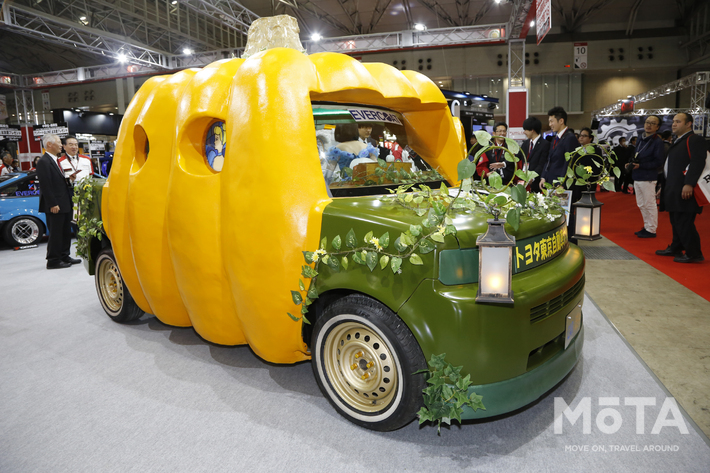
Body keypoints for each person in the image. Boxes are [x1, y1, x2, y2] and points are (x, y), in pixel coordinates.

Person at [656, 113, 707, 263]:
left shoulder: (694, 139)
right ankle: (676, 247)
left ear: (689, 124)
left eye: (678, 122)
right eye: (673, 121)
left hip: (685, 188)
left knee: (684, 221)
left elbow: (698, 162)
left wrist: (689, 183)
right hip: (673, 188)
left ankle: (694, 254)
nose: (674, 124)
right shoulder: (679, 140)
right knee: (676, 220)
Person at [35, 134, 81, 269]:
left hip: (64, 202)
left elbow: (57, 182)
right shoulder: (44, 161)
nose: (61, 145)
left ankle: (64, 255)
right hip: (55, 204)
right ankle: (53, 260)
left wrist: (68, 180)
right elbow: (45, 185)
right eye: (59, 143)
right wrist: (52, 203)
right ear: (49, 144)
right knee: (56, 233)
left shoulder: (55, 160)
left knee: (65, 232)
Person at [626, 116, 665, 238]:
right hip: (637, 175)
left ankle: (651, 229)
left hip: (648, 176)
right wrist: (631, 163)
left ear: (657, 127)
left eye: (653, 123)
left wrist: (641, 165)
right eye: (647, 122)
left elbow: (659, 162)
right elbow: (637, 155)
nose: (649, 125)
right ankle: (647, 226)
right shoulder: (641, 138)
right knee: (641, 204)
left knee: (649, 204)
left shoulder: (657, 142)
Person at [540, 106, 579, 188]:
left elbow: (569, 163)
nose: (550, 125)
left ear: (561, 121)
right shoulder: (555, 138)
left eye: (551, 121)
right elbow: (549, 160)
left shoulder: (570, 138)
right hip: (551, 181)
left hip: (560, 184)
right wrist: (543, 177)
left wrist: (562, 184)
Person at [521, 116, 550, 192]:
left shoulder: (545, 144)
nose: (524, 132)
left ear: (532, 130)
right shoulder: (525, 144)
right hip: (524, 182)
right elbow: (518, 156)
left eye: (525, 130)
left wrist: (532, 177)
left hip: (537, 183)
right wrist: (504, 163)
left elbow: (542, 164)